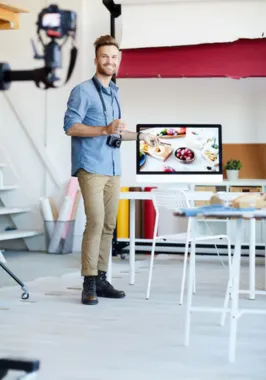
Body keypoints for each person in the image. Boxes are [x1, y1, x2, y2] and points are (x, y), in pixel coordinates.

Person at [63, 35, 159, 306]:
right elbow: (71, 127)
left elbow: (116, 133)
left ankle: (102, 278)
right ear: (96, 60)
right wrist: (104, 129)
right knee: (95, 222)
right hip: (91, 166)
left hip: (113, 167)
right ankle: (88, 283)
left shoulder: (115, 93)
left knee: (108, 225)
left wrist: (143, 136)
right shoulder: (83, 91)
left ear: (119, 61)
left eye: (114, 57)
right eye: (105, 56)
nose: (110, 61)